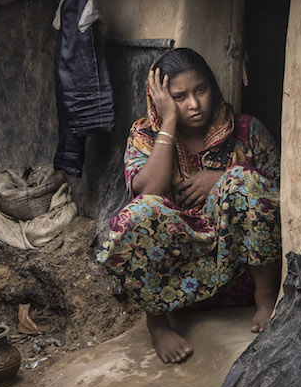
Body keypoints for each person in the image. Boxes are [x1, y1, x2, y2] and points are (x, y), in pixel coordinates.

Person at [96, 48, 281, 364]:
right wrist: (167, 121)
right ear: (161, 100)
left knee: (243, 180)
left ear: (214, 86)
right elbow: (148, 193)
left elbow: (281, 193)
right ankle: (157, 323)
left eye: (201, 90)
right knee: (138, 215)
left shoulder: (247, 130)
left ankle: (266, 301)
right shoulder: (144, 135)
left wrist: (221, 178)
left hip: (240, 269)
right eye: (179, 97)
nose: (194, 104)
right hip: (177, 278)